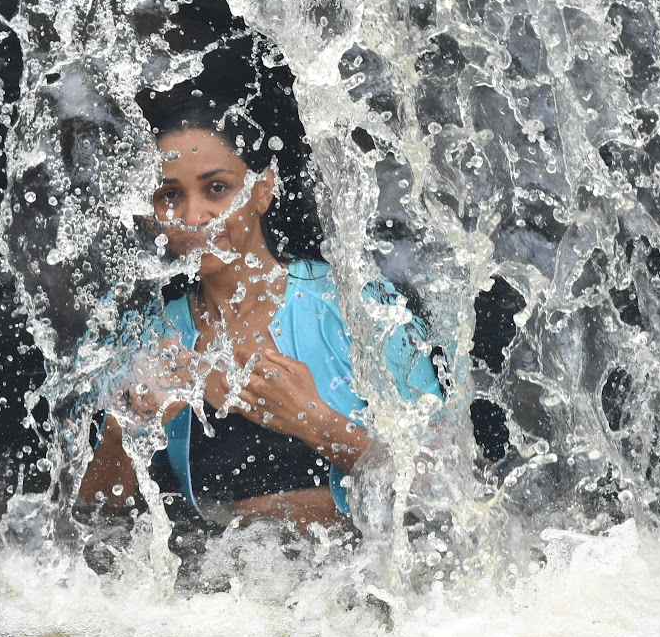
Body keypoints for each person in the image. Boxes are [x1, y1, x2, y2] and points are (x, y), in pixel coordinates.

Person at [77, 61, 441, 533]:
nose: (194, 215)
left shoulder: (357, 307)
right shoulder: (153, 335)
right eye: (170, 195)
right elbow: (94, 517)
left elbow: (445, 491)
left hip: (355, 586)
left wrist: (316, 423)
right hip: (227, 589)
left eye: (217, 188)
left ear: (262, 189)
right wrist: (126, 426)